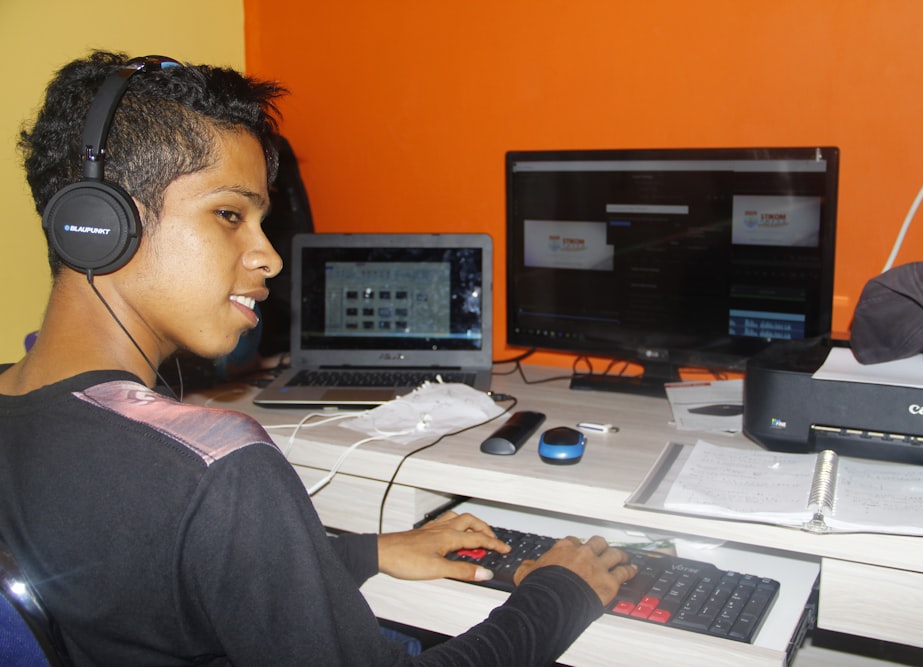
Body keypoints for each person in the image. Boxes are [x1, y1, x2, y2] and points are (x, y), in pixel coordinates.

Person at [0, 51, 636, 666]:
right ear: (100, 222)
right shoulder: (218, 463)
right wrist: (560, 594)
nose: (271, 257)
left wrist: (363, 552)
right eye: (229, 214)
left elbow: (144, 582)